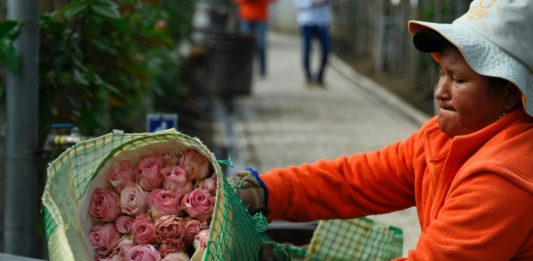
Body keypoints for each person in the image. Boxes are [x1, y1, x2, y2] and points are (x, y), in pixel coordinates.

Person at [231, 0, 533, 259]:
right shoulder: (445, 137)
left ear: (511, 91)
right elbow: (355, 181)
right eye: (442, 74)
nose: (440, 91)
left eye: (459, 80)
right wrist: (264, 193)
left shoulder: (507, 177)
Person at [234, 0, 277, 78]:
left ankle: (262, 68)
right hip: (246, 17)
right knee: (245, 46)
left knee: (261, 44)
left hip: (261, 18)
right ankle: (245, 68)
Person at [295, 0, 332, 87]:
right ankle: (308, 78)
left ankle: (320, 77)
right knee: (307, 49)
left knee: (326, 49)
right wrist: (311, 4)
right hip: (307, 21)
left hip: (323, 22)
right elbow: (297, 4)